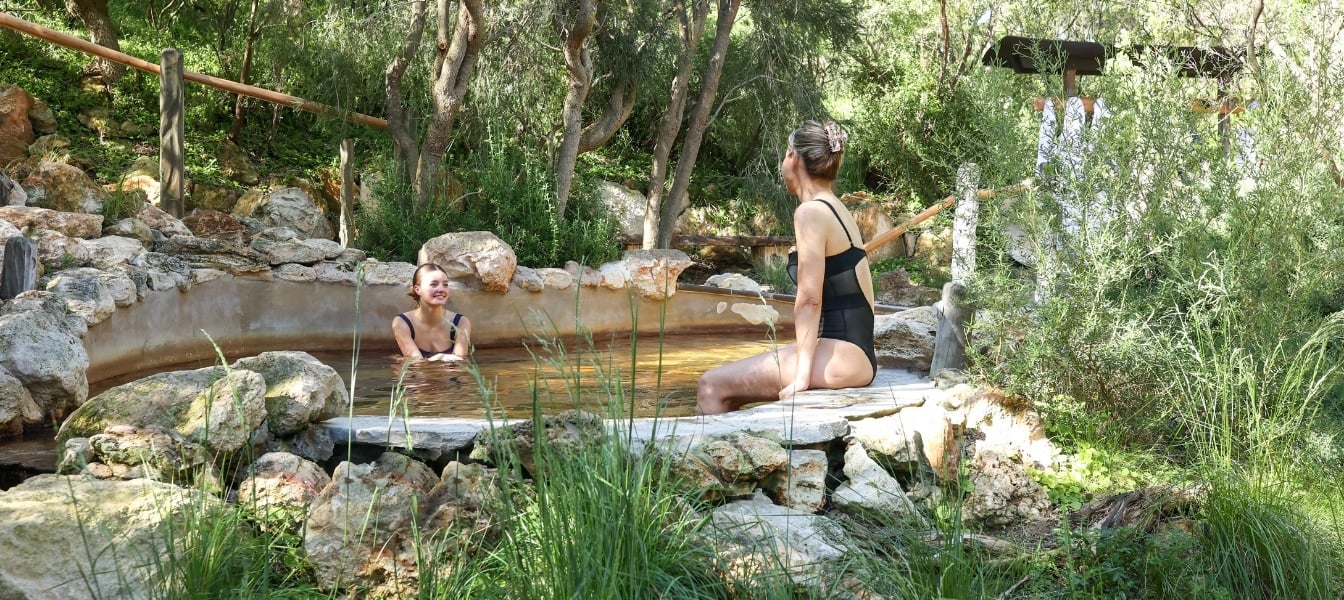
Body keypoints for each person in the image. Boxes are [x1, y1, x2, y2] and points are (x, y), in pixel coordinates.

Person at [697, 120, 877, 414]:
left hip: (843, 357)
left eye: (784, 154)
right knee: (730, 391)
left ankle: (705, 460)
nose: (783, 163)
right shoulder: (834, 206)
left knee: (711, 385)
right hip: (852, 353)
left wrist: (802, 376)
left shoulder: (811, 212)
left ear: (793, 158)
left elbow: (809, 300)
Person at [392, 263, 472, 362]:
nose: (441, 289)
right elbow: (415, 366)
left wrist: (432, 361)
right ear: (418, 289)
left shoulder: (461, 323)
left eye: (445, 284)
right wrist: (440, 358)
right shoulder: (402, 323)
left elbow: (461, 367)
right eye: (434, 284)